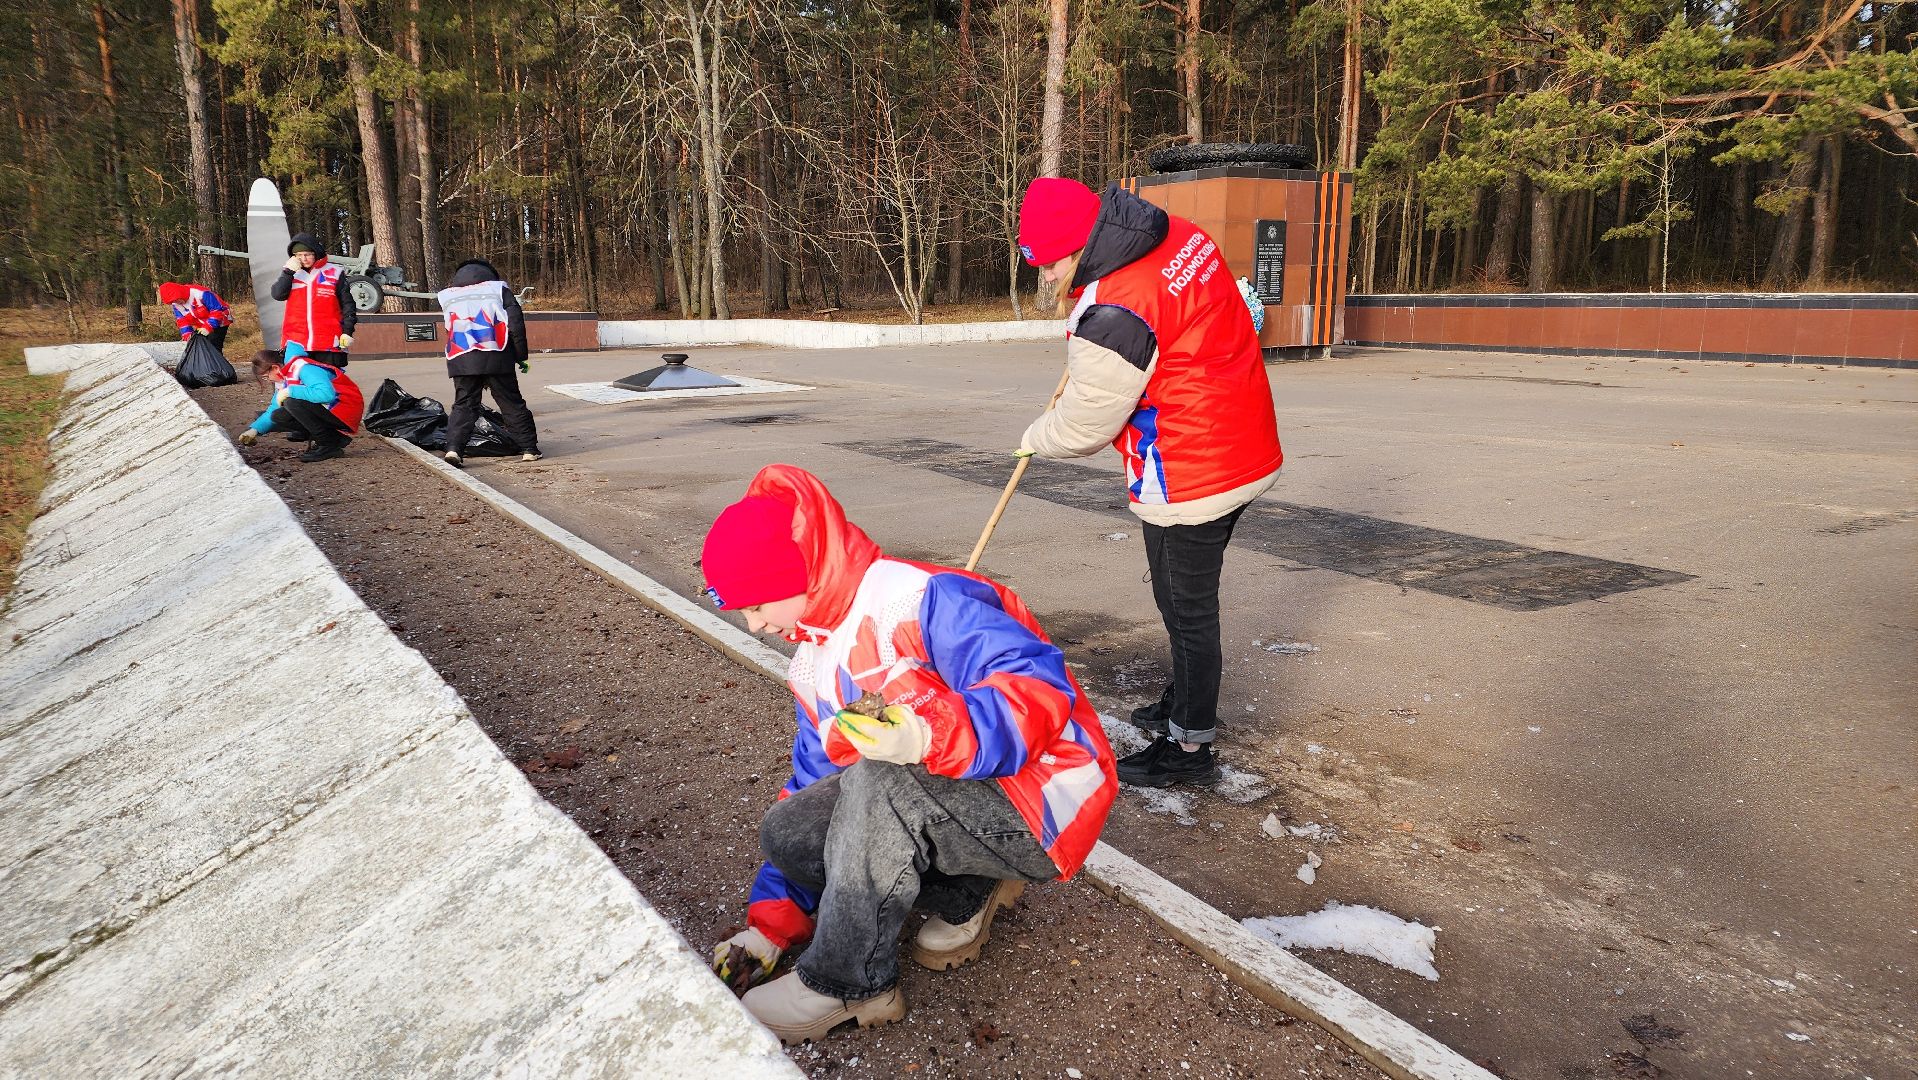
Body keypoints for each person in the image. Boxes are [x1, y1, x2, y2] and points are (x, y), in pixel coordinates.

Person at [701, 464, 1116, 1044]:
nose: (755, 625)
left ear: (796, 575)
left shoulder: (917, 598)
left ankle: (849, 982)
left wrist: (928, 735)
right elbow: (813, 782)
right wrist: (769, 927)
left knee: (881, 782)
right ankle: (969, 888)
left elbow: (1038, 688)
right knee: (789, 830)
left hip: (1044, 799)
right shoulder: (813, 664)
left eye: (758, 604)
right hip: (957, 800)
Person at [1013, 176, 1284, 789]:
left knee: (1186, 608)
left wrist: (1036, 437)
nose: (1048, 277)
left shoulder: (1113, 311)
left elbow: (1085, 425)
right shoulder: (1173, 233)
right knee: (1179, 598)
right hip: (1237, 434)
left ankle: (1189, 746)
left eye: (1050, 263)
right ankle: (1186, 697)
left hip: (1193, 468)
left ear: (1082, 243)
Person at [436, 258, 540, 465]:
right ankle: (529, 449)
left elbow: (450, 327)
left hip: (461, 356)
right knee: (510, 402)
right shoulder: (498, 290)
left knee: (464, 404)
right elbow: (515, 324)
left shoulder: (447, 295)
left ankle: (454, 450)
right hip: (497, 354)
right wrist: (521, 356)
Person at [236, 344, 364, 463]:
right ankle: (332, 437)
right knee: (278, 415)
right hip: (332, 411)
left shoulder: (305, 368)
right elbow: (274, 408)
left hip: (346, 410)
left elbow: (326, 394)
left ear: (275, 368)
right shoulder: (285, 377)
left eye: (266, 377)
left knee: (292, 403)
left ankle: (328, 444)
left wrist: (291, 391)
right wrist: (254, 430)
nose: (268, 380)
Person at [271, 233, 356, 367]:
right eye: (299, 255)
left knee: (329, 378)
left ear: (315, 253)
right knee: (298, 378)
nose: (304, 259)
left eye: (307, 254)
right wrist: (287, 272)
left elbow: (348, 304)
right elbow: (278, 295)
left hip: (328, 341)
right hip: (297, 342)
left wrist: (347, 331)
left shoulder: (334, 272)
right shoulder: (291, 274)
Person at [159, 281, 232, 350]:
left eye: (176, 299)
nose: (176, 302)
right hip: (201, 324)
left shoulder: (200, 293)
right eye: (173, 301)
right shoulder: (176, 304)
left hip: (220, 319)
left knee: (213, 345)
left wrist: (208, 327)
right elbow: (182, 321)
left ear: (180, 293)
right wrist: (187, 335)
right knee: (201, 346)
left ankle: (215, 359)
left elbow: (217, 310)